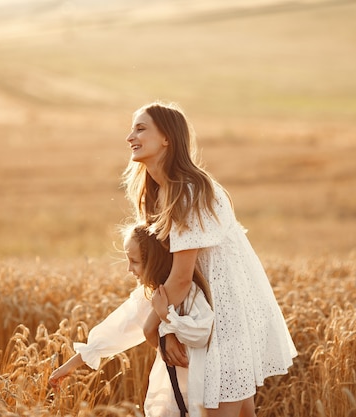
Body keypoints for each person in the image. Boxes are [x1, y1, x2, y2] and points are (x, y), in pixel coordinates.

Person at [123, 101, 298, 417]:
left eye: (140, 128)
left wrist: (155, 330)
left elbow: (180, 278)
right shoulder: (163, 192)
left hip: (226, 319)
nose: (129, 136)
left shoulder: (187, 192)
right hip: (219, 316)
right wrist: (167, 328)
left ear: (167, 138)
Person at [48, 223, 214, 417]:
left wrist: (166, 316)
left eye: (134, 261)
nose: (129, 268)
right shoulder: (148, 298)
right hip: (169, 390)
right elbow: (115, 332)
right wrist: (69, 367)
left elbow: (202, 333)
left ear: (155, 261)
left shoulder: (189, 294)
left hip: (198, 391)